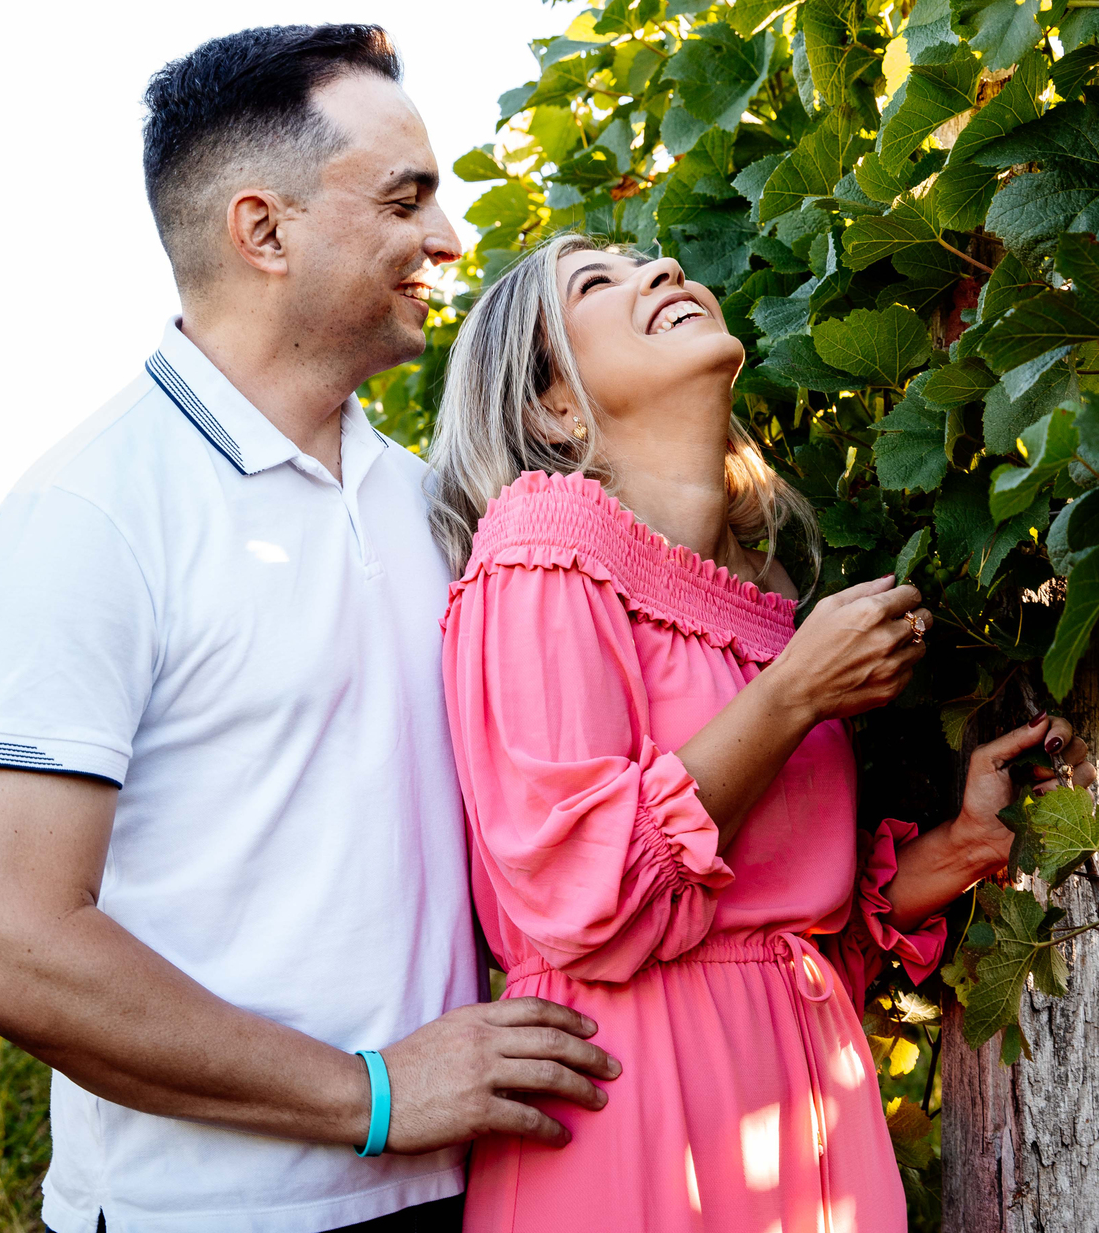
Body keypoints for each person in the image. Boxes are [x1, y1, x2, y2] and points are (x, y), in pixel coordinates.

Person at [0, 27, 619, 1233]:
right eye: (406, 200)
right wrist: (370, 1096)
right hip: (203, 1213)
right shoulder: (92, 507)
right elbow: (3, 945)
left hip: (454, 1184)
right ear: (264, 230)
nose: (449, 241)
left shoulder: (426, 503)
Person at [428, 232, 1095, 1233]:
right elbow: (580, 891)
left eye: (651, 259)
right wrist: (792, 697)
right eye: (598, 283)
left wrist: (957, 850)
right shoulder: (542, 548)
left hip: (801, 1106)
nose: (657, 272)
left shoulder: (762, 603)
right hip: (633, 1108)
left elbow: (766, 928)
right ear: (552, 405)